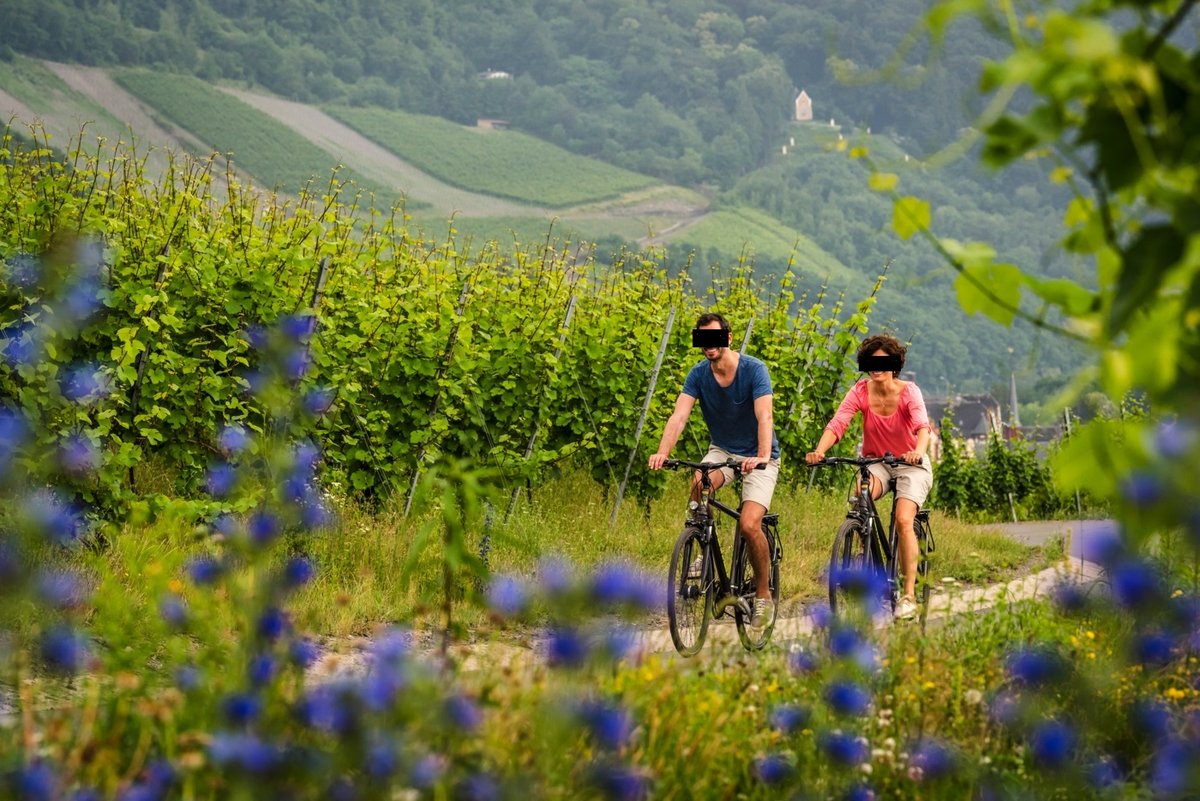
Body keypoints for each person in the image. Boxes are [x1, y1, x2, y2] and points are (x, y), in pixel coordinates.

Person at [648, 312, 781, 634]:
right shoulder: (698, 375)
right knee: (699, 481)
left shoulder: (753, 370)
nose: (709, 346)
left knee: (750, 525)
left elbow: (764, 416)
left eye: (715, 338)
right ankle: (703, 546)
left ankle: (763, 596)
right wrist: (663, 452)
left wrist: (761, 456)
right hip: (722, 450)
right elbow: (679, 416)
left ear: (729, 338)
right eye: (703, 339)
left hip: (759, 455)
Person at [805, 333, 932, 621]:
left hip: (911, 464)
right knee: (860, 498)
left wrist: (917, 452)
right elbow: (838, 423)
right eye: (871, 362)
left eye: (883, 362)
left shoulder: (909, 391)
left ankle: (909, 596)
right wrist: (819, 451)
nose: (876, 368)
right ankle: (863, 550)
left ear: (894, 364)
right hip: (878, 463)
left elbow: (923, 428)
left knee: (903, 519)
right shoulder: (860, 391)